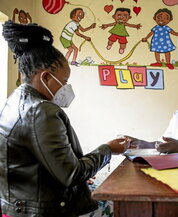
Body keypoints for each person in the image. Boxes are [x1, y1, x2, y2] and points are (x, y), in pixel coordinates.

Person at [0, 21, 129, 217]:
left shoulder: (14, 100)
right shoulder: (42, 111)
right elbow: (72, 174)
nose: (66, 87)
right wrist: (108, 149)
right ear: (46, 77)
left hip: (16, 206)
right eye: (65, 81)